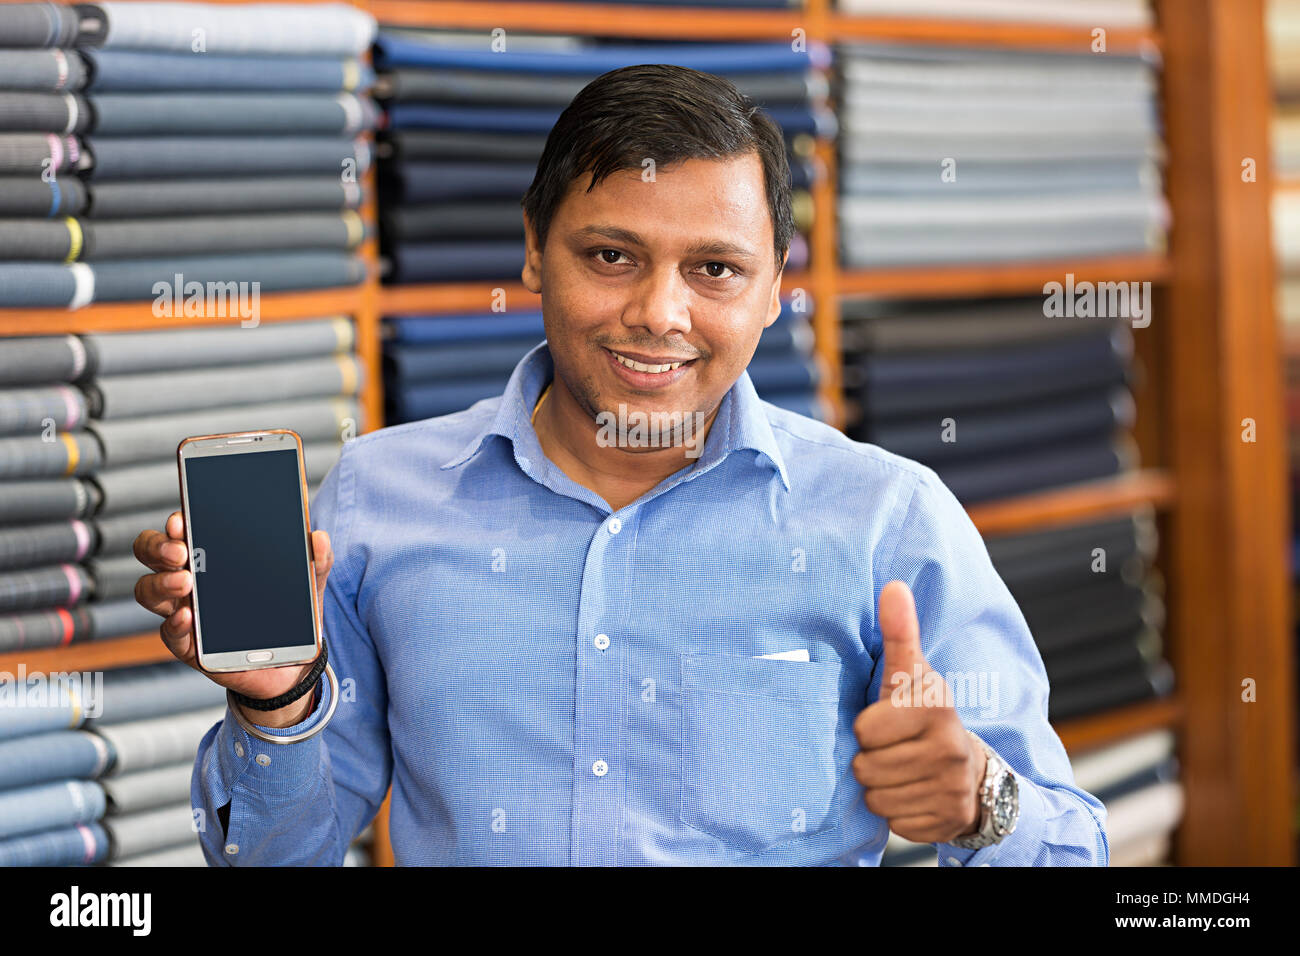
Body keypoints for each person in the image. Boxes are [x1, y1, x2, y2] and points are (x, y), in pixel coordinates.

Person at [132, 63, 1107, 865]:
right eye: (610, 255)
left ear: (775, 289)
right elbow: (271, 855)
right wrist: (279, 701)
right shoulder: (378, 499)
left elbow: (1072, 850)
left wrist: (982, 801)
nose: (658, 312)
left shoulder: (888, 518)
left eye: (715, 269)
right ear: (532, 249)